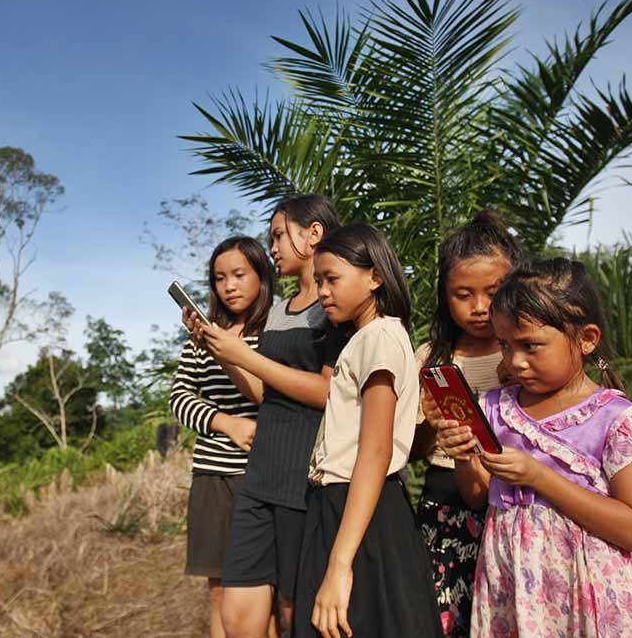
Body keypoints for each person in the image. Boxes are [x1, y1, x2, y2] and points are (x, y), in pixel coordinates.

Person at [436, 257, 632, 637]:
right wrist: (465, 457)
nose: (515, 361)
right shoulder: (496, 410)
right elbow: (478, 498)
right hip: (515, 594)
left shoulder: (618, 421)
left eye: (530, 345)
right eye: (504, 345)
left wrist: (539, 477)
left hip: (594, 599)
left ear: (586, 339)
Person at [189, 194, 342, 638]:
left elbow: (329, 392)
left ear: (313, 234)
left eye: (278, 235)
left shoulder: (333, 307)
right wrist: (223, 351)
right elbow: (263, 392)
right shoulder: (278, 311)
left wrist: (246, 357)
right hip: (262, 472)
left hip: (304, 470)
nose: (272, 246)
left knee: (294, 608)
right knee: (237, 609)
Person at [294, 222, 441, 638]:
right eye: (319, 280)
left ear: (375, 276)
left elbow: (375, 450)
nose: (322, 291)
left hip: (359, 509)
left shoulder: (379, 337)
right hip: (344, 506)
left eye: (333, 279)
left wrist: (340, 566)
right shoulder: (362, 340)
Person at [410, 211, 522, 637]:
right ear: (445, 296)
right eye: (463, 294)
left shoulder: (526, 356)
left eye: (493, 292)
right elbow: (416, 451)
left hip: (511, 505)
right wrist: (430, 425)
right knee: (446, 619)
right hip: (443, 507)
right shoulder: (431, 358)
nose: (479, 307)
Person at [170, 236, 275, 638]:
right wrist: (224, 422)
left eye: (238, 275)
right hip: (213, 478)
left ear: (261, 276)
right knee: (219, 593)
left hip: (263, 476)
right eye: (219, 278)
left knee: (264, 593)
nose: (228, 286)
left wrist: (224, 350)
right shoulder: (201, 339)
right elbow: (180, 398)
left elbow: (273, 391)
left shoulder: (276, 332)